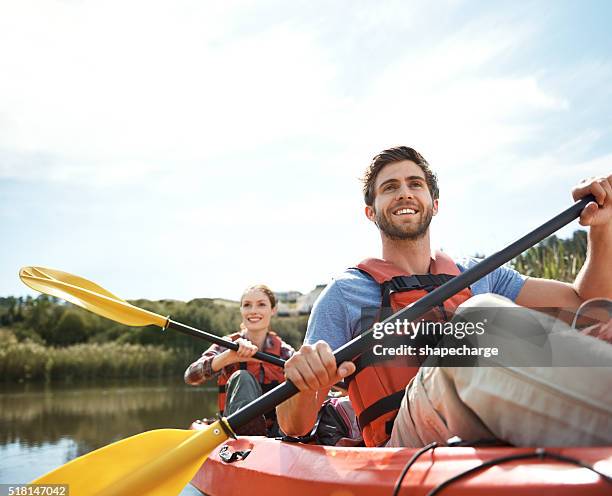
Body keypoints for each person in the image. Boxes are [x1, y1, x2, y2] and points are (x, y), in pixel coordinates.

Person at [277, 146, 612, 448]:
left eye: (415, 184)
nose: (404, 193)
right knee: (480, 316)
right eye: (389, 187)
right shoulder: (344, 294)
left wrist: (602, 226)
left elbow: (589, 305)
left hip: (493, 410)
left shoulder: (481, 274)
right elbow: (294, 424)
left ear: (434, 204)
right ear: (371, 211)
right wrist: (306, 382)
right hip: (408, 440)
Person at [185, 284, 294, 436]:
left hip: (279, 430)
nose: (253, 311)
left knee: (295, 386)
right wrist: (228, 357)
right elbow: (191, 376)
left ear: (273, 310)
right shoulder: (228, 344)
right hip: (237, 428)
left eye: (261, 304)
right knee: (243, 377)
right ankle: (248, 432)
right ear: (241, 310)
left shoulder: (284, 351)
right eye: (247, 305)